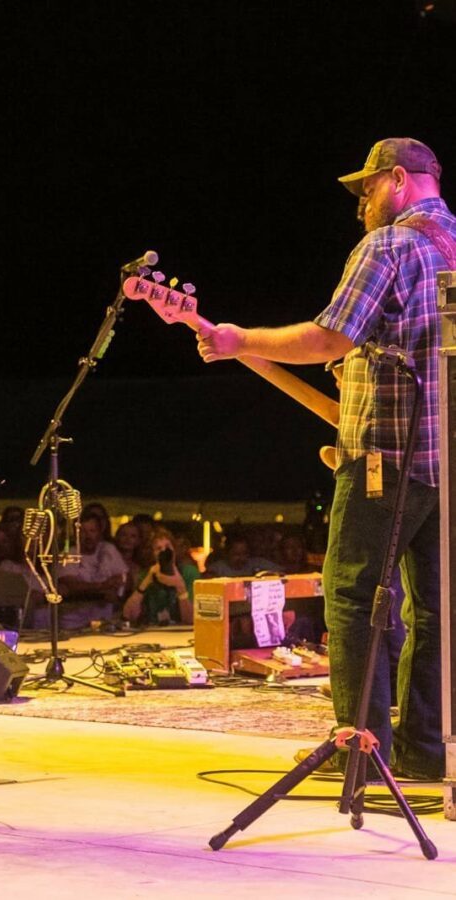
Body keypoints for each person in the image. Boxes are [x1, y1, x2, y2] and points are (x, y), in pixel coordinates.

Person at [196, 138, 454, 780]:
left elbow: (328, 335)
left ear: (398, 180)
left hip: (386, 457)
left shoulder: (389, 245)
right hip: (445, 461)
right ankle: (427, 751)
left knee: (353, 592)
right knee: (434, 611)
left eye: (365, 190)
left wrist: (239, 340)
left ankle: (362, 755)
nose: (360, 206)